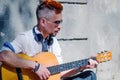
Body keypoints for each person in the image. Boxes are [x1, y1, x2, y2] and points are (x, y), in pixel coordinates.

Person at [0, 0, 98, 80]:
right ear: (43, 21)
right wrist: (35, 66)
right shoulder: (25, 38)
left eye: (61, 22)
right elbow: (3, 55)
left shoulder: (54, 43)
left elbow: (59, 73)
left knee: (89, 76)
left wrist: (82, 67)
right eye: (57, 22)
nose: (60, 27)